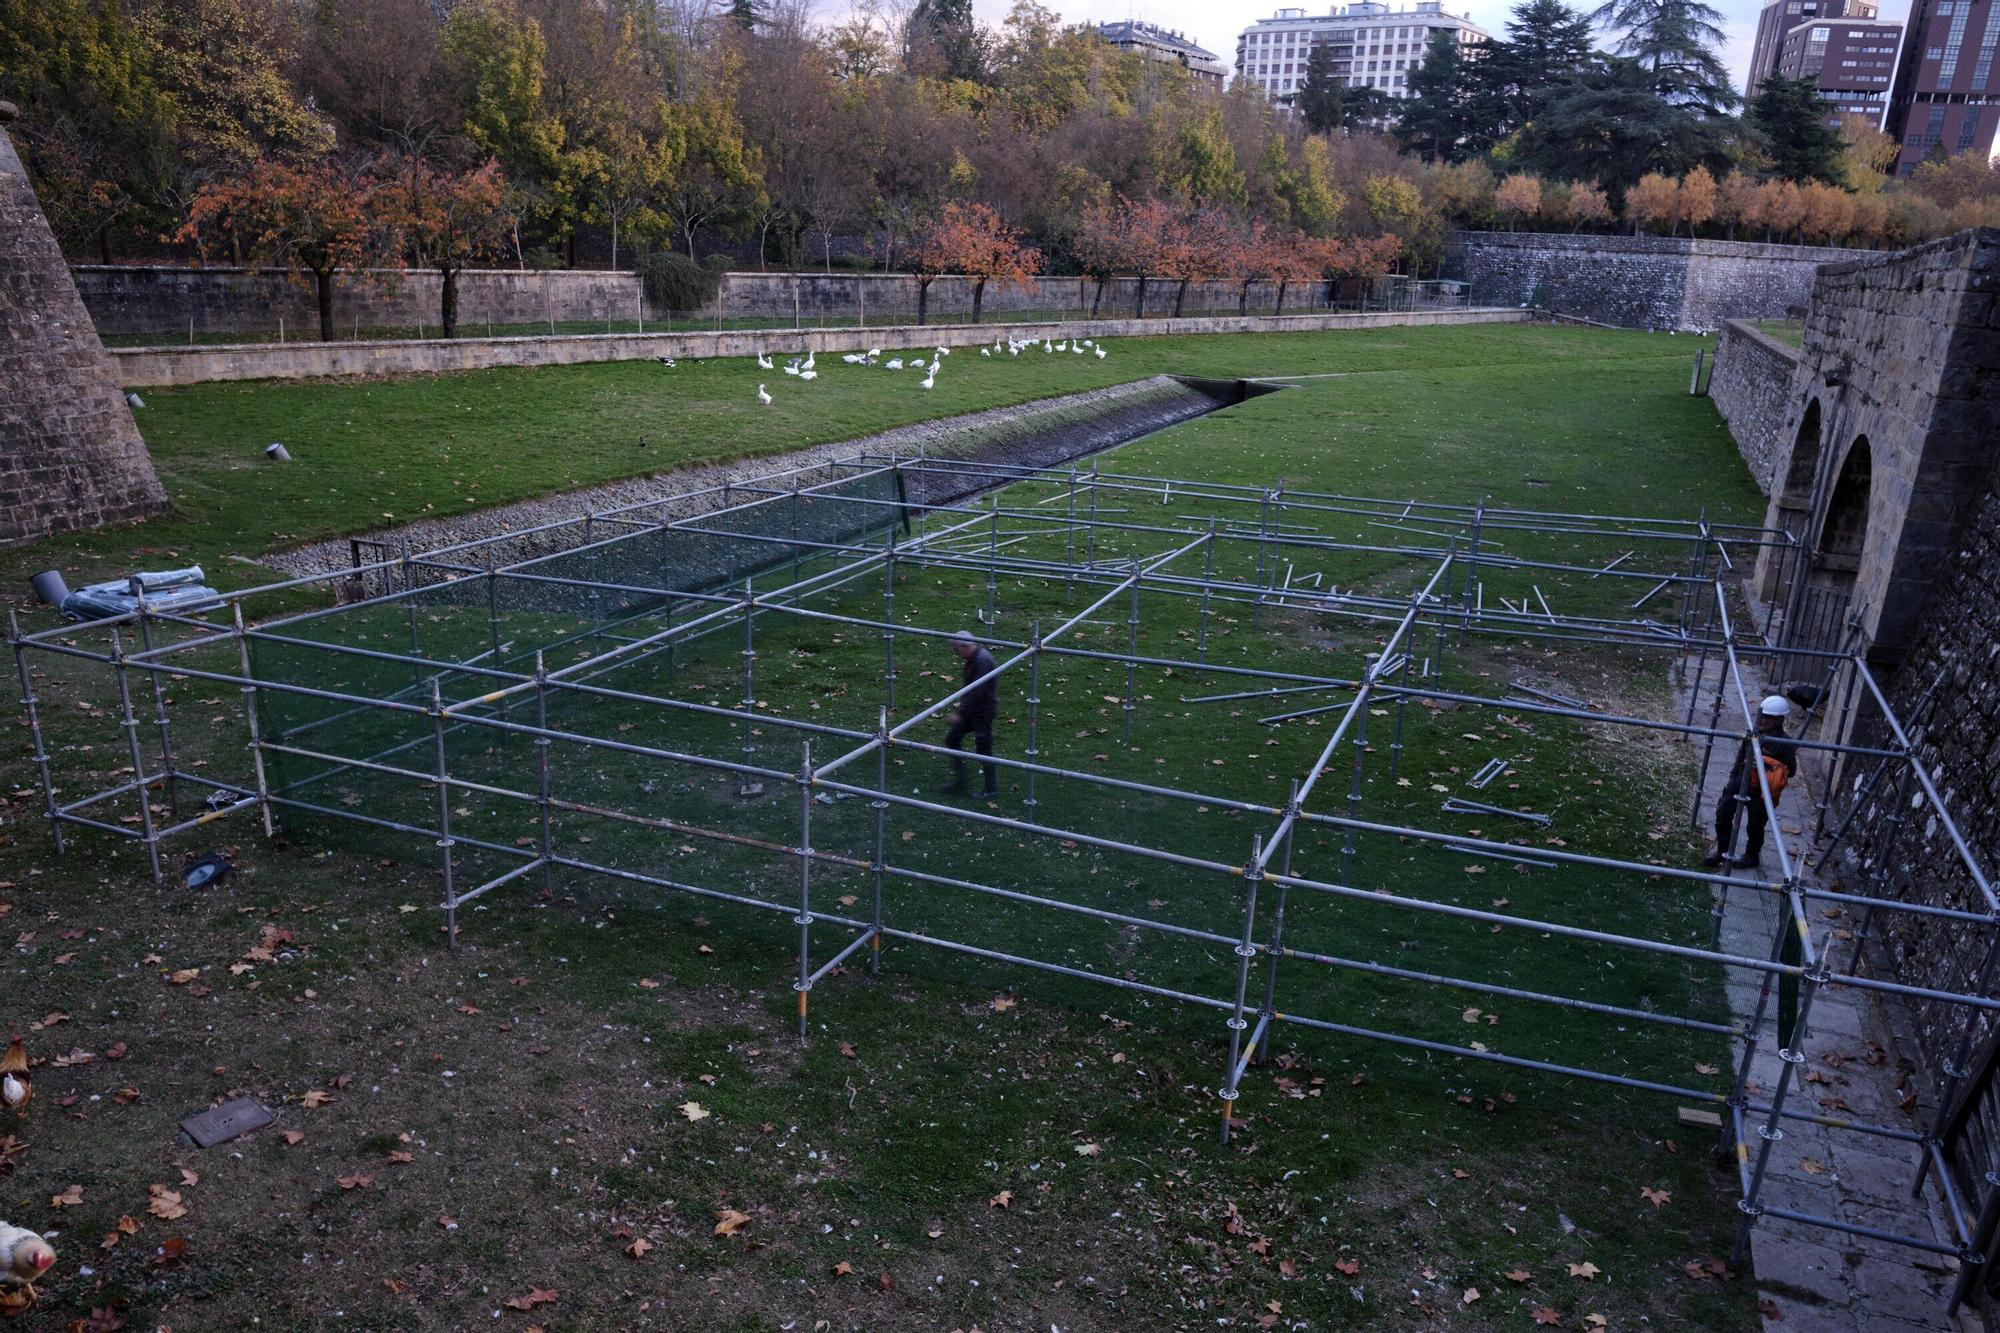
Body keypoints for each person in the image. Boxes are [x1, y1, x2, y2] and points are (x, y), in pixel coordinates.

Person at [1704, 695, 1800, 871]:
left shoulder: (1785, 743)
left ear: (1779, 720)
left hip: (1762, 790)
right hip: (1741, 779)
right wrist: (1733, 777)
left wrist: (1768, 764)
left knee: (1755, 826)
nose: (1762, 720)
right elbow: (1742, 754)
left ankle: (1751, 856)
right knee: (1723, 812)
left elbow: (1790, 771)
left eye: (1768, 718)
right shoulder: (1754, 732)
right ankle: (1722, 851)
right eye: (1761, 715)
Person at [944, 630, 999, 798]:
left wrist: (960, 715)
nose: (956, 653)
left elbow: (976, 693)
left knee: (984, 750)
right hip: (973, 711)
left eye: (956, 649)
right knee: (952, 740)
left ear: (964, 646)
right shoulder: (972, 658)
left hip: (982, 713)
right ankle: (960, 781)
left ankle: (990, 789)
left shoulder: (981, 661)